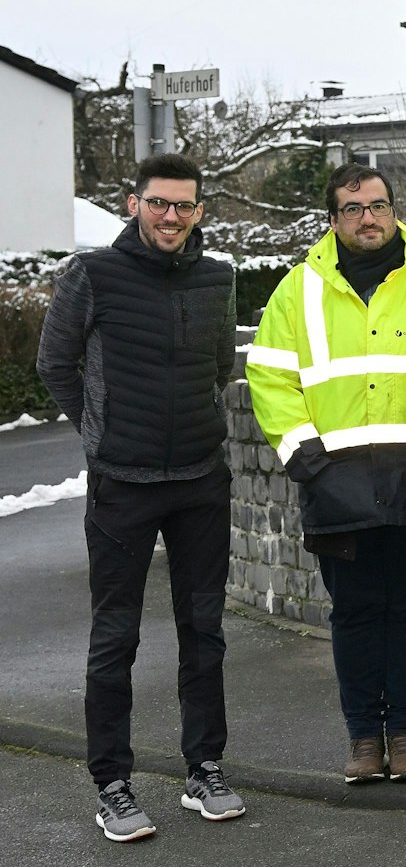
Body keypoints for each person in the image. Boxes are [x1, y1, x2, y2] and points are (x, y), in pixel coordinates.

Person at [37, 153, 245, 841]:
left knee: (205, 632)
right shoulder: (92, 275)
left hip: (199, 482)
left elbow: (221, 366)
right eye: (159, 203)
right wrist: (100, 434)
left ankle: (205, 768)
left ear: (199, 212)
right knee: (115, 635)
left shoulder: (219, 278)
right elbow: (54, 362)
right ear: (134, 203)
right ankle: (113, 784)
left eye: (184, 206)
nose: (172, 216)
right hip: (123, 485)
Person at [245, 163, 406, 785]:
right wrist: (300, 452)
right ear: (333, 219)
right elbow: (270, 374)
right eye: (354, 208)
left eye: (379, 205)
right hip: (336, 481)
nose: (370, 217)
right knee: (357, 612)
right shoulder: (298, 290)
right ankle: (365, 738)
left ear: (395, 209)